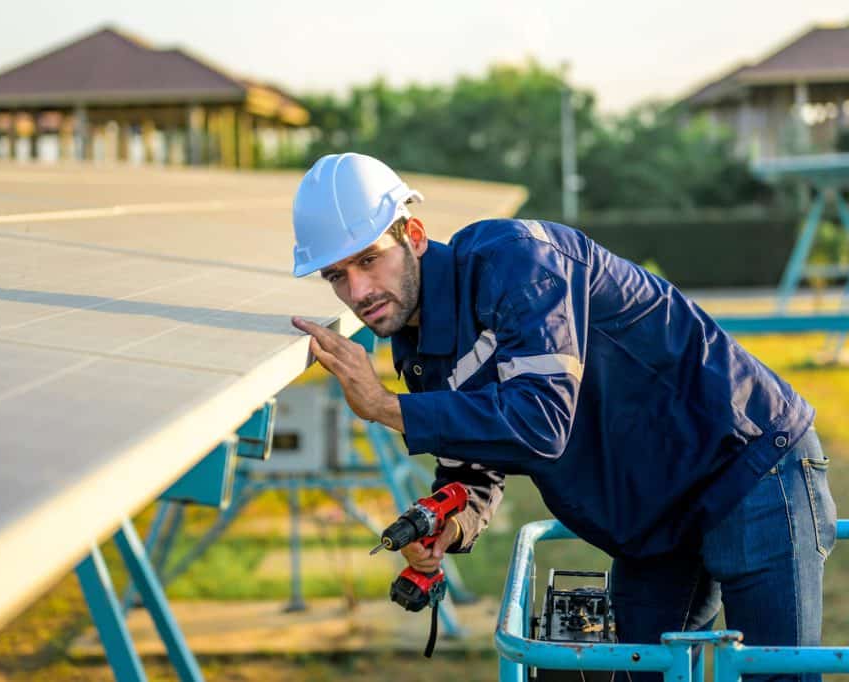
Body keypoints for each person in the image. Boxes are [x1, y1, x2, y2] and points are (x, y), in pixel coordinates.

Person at [288, 153, 836, 682]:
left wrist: (387, 406)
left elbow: (540, 421)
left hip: (749, 468)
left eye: (368, 260)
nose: (357, 291)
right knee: (632, 676)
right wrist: (447, 525)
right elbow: (472, 472)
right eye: (336, 275)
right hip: (655, 518)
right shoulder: (416, 346)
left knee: (775, 678)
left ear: (413, 235)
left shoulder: (518, 262)